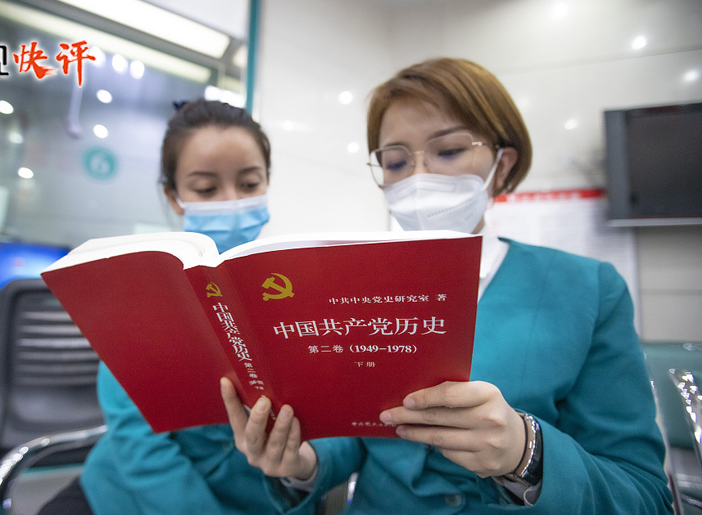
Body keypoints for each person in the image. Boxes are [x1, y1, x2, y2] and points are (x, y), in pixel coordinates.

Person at [220, 58, 675, 514]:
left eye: (450, 151)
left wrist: (526, 453)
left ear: (502, 165)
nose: (419, 177)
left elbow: (642, 494)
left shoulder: (588, 290)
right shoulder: (357, 282)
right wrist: (303, 462)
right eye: (396, 161)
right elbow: (358, 437)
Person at [40, 99, 279, 514]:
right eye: (206, 189)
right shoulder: (139, 294)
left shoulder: (290, 290)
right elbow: (137, 440)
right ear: (174, 196)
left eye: (249, 183)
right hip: (128, 495)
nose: (231, 201)